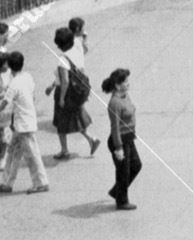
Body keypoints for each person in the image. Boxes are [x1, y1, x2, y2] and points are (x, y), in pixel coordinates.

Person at [0, 50, 47, 192]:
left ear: (9, 65)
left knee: (32, 155)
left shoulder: (14, 83)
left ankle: (41, 183)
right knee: (13, 153)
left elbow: (4, 103)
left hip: (23, 125)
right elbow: (31, 97)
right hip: (23, 123)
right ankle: (7, 182)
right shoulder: (27, 77)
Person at [50, 26, 98, 160]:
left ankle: (64, 150)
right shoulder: (77, 49)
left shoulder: (63, 59)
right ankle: (91, 139)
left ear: (59, 45)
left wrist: (61, 98)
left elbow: (64, 80)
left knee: (61, 122)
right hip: (78, 90)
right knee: (75, 118)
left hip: (67, 92)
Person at [102, 69, 138, 210]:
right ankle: (122, 201)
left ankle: (117, 191)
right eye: (125, 81)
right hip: (120, 140)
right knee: (123, 172)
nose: (128, 84)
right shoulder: (115, 103)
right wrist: (118, 148)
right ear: (117, 85)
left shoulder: (125, 96)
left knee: (136, 166)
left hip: (129, 138)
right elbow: (115, 127)